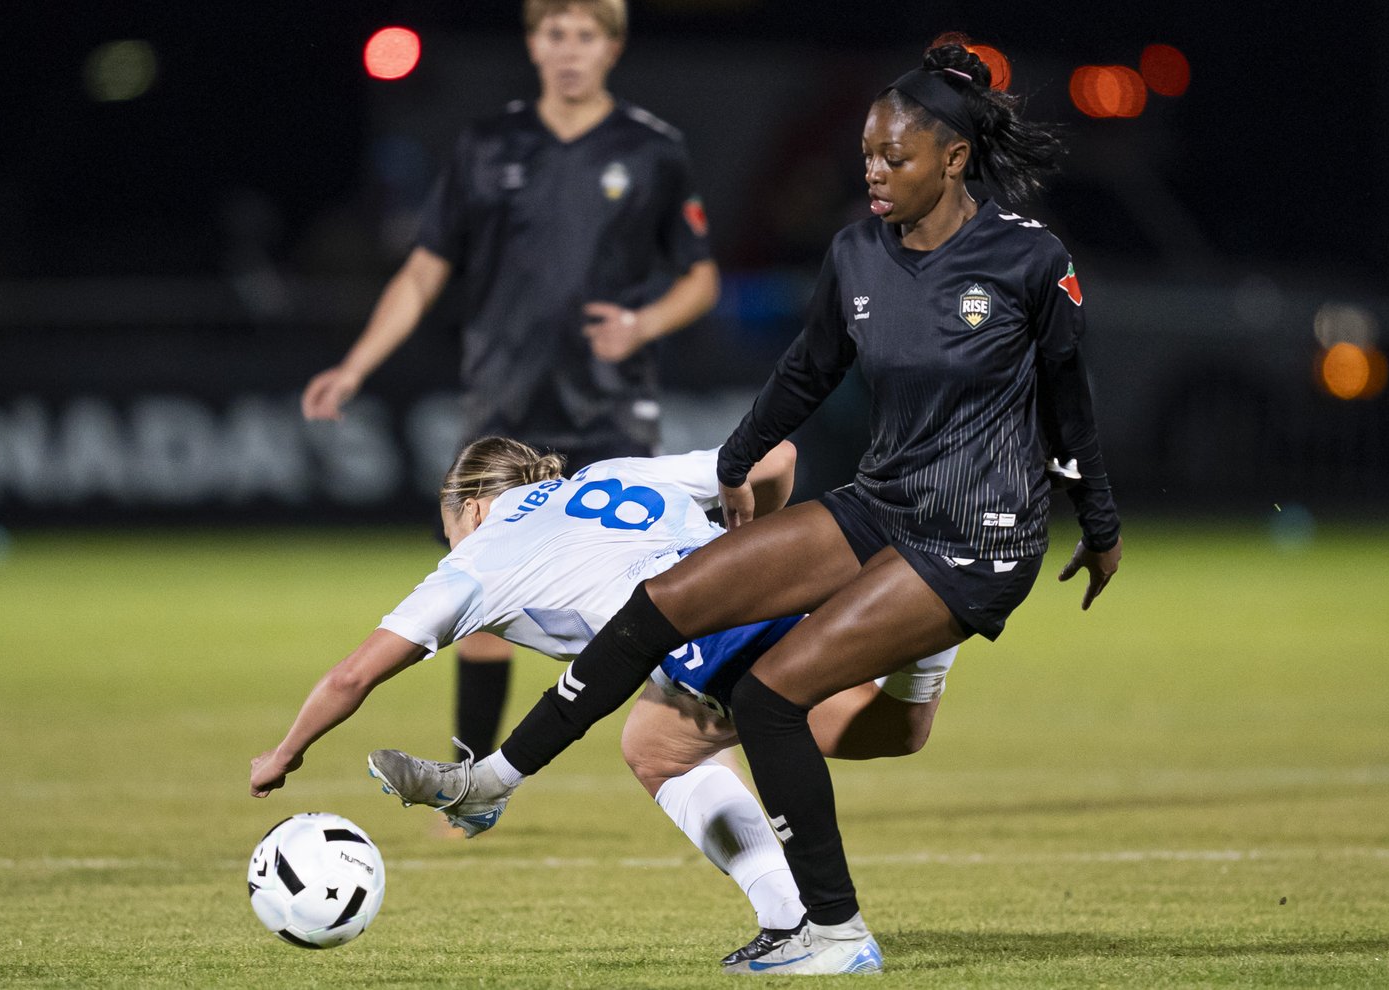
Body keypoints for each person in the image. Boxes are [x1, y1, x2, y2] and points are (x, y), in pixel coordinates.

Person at [384, 42, 1125, 976]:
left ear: (954, 159)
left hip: (975, 538)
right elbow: (808, 372)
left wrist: (1097, 524)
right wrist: (734, 463)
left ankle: (836, 932)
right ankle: (488, 780)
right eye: (866, 153)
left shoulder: (1028, 257)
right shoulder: (857, 251)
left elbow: (1070, 396)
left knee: (770, 698)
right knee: (668, 600)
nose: (873, 172)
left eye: (895, 157)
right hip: (883, 503)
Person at [249, 437, 958, 966]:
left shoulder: (472, 563)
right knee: (666, 741)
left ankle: (810, 921)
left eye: (448, 523)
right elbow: (773, 455)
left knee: (831, 732)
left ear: (467, 507)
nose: (448, 538)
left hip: (703, 641)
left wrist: (284, 754)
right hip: (758, 589)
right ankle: (926, 614)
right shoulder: (609, 475)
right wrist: (751, 538)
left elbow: (351, 677)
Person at [299, 0, 720, 763]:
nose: (569, 50)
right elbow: (425, 268)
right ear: (532, 44)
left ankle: (703, 757)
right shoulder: (488, 145)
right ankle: (469, 779)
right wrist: (355, 366)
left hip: (611, 402)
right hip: (505, 403)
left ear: (612, 47)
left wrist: (643, 325)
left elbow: (700, 278)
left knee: (669, 596)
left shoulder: (653, 149)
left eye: (585, 35)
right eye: (554, 33)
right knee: (484, 601)